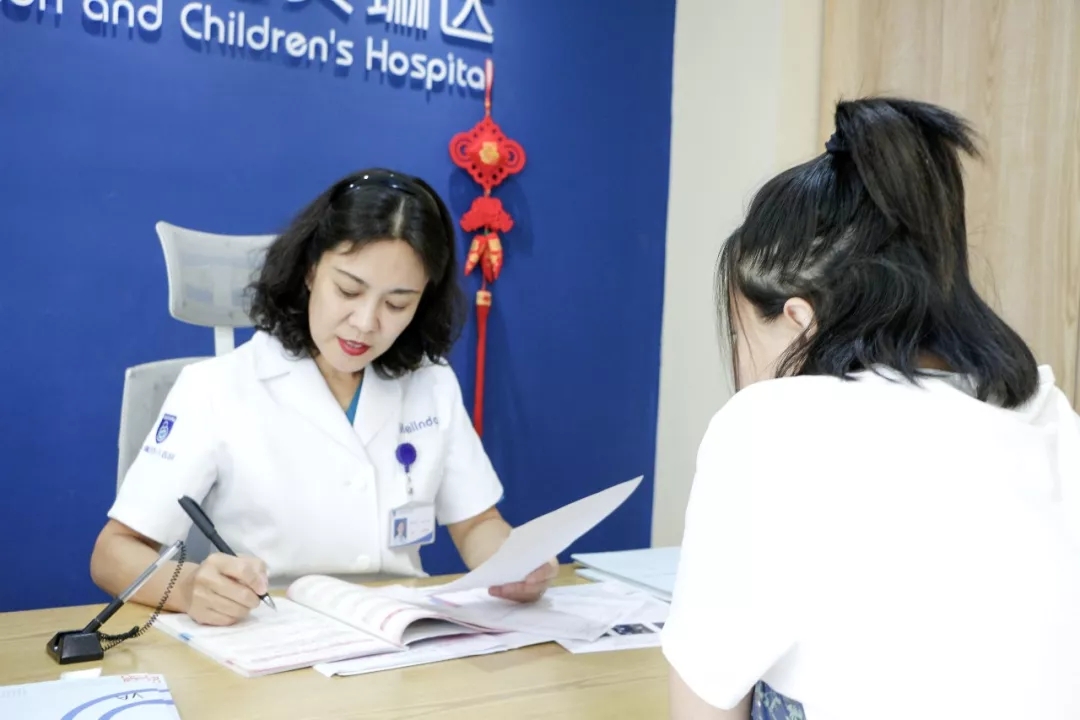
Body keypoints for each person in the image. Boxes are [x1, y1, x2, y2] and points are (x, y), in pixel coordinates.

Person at [661, 98, 1080, 719]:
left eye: (743, 333)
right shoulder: (1051, 416)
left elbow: (702, 709)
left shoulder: (769, 425)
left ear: (800, 321)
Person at [90, 168, 557, 626]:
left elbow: (477, 524)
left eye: (397, 303)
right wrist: (190, 588)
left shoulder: (430, 382)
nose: (366, 323)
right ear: (311, 270)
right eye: (348, 290)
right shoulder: (216, 386)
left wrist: (515, 564)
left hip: (402, 634)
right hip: (270, 632)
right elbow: (112, 553)